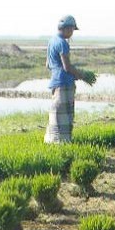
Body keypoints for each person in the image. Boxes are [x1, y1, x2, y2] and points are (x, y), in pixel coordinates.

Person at [44, 15, 95, 144]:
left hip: (55, 81)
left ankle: (52, 140)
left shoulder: (52, 41)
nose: (72, 33)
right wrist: (81, 74)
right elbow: (67, 67)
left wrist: (59, 71)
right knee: (64, 114)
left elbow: (48, 64)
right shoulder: (62, 43)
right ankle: (62, 142)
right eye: (72, 29)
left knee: (56, 112)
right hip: (64, 83)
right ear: (67, 28)